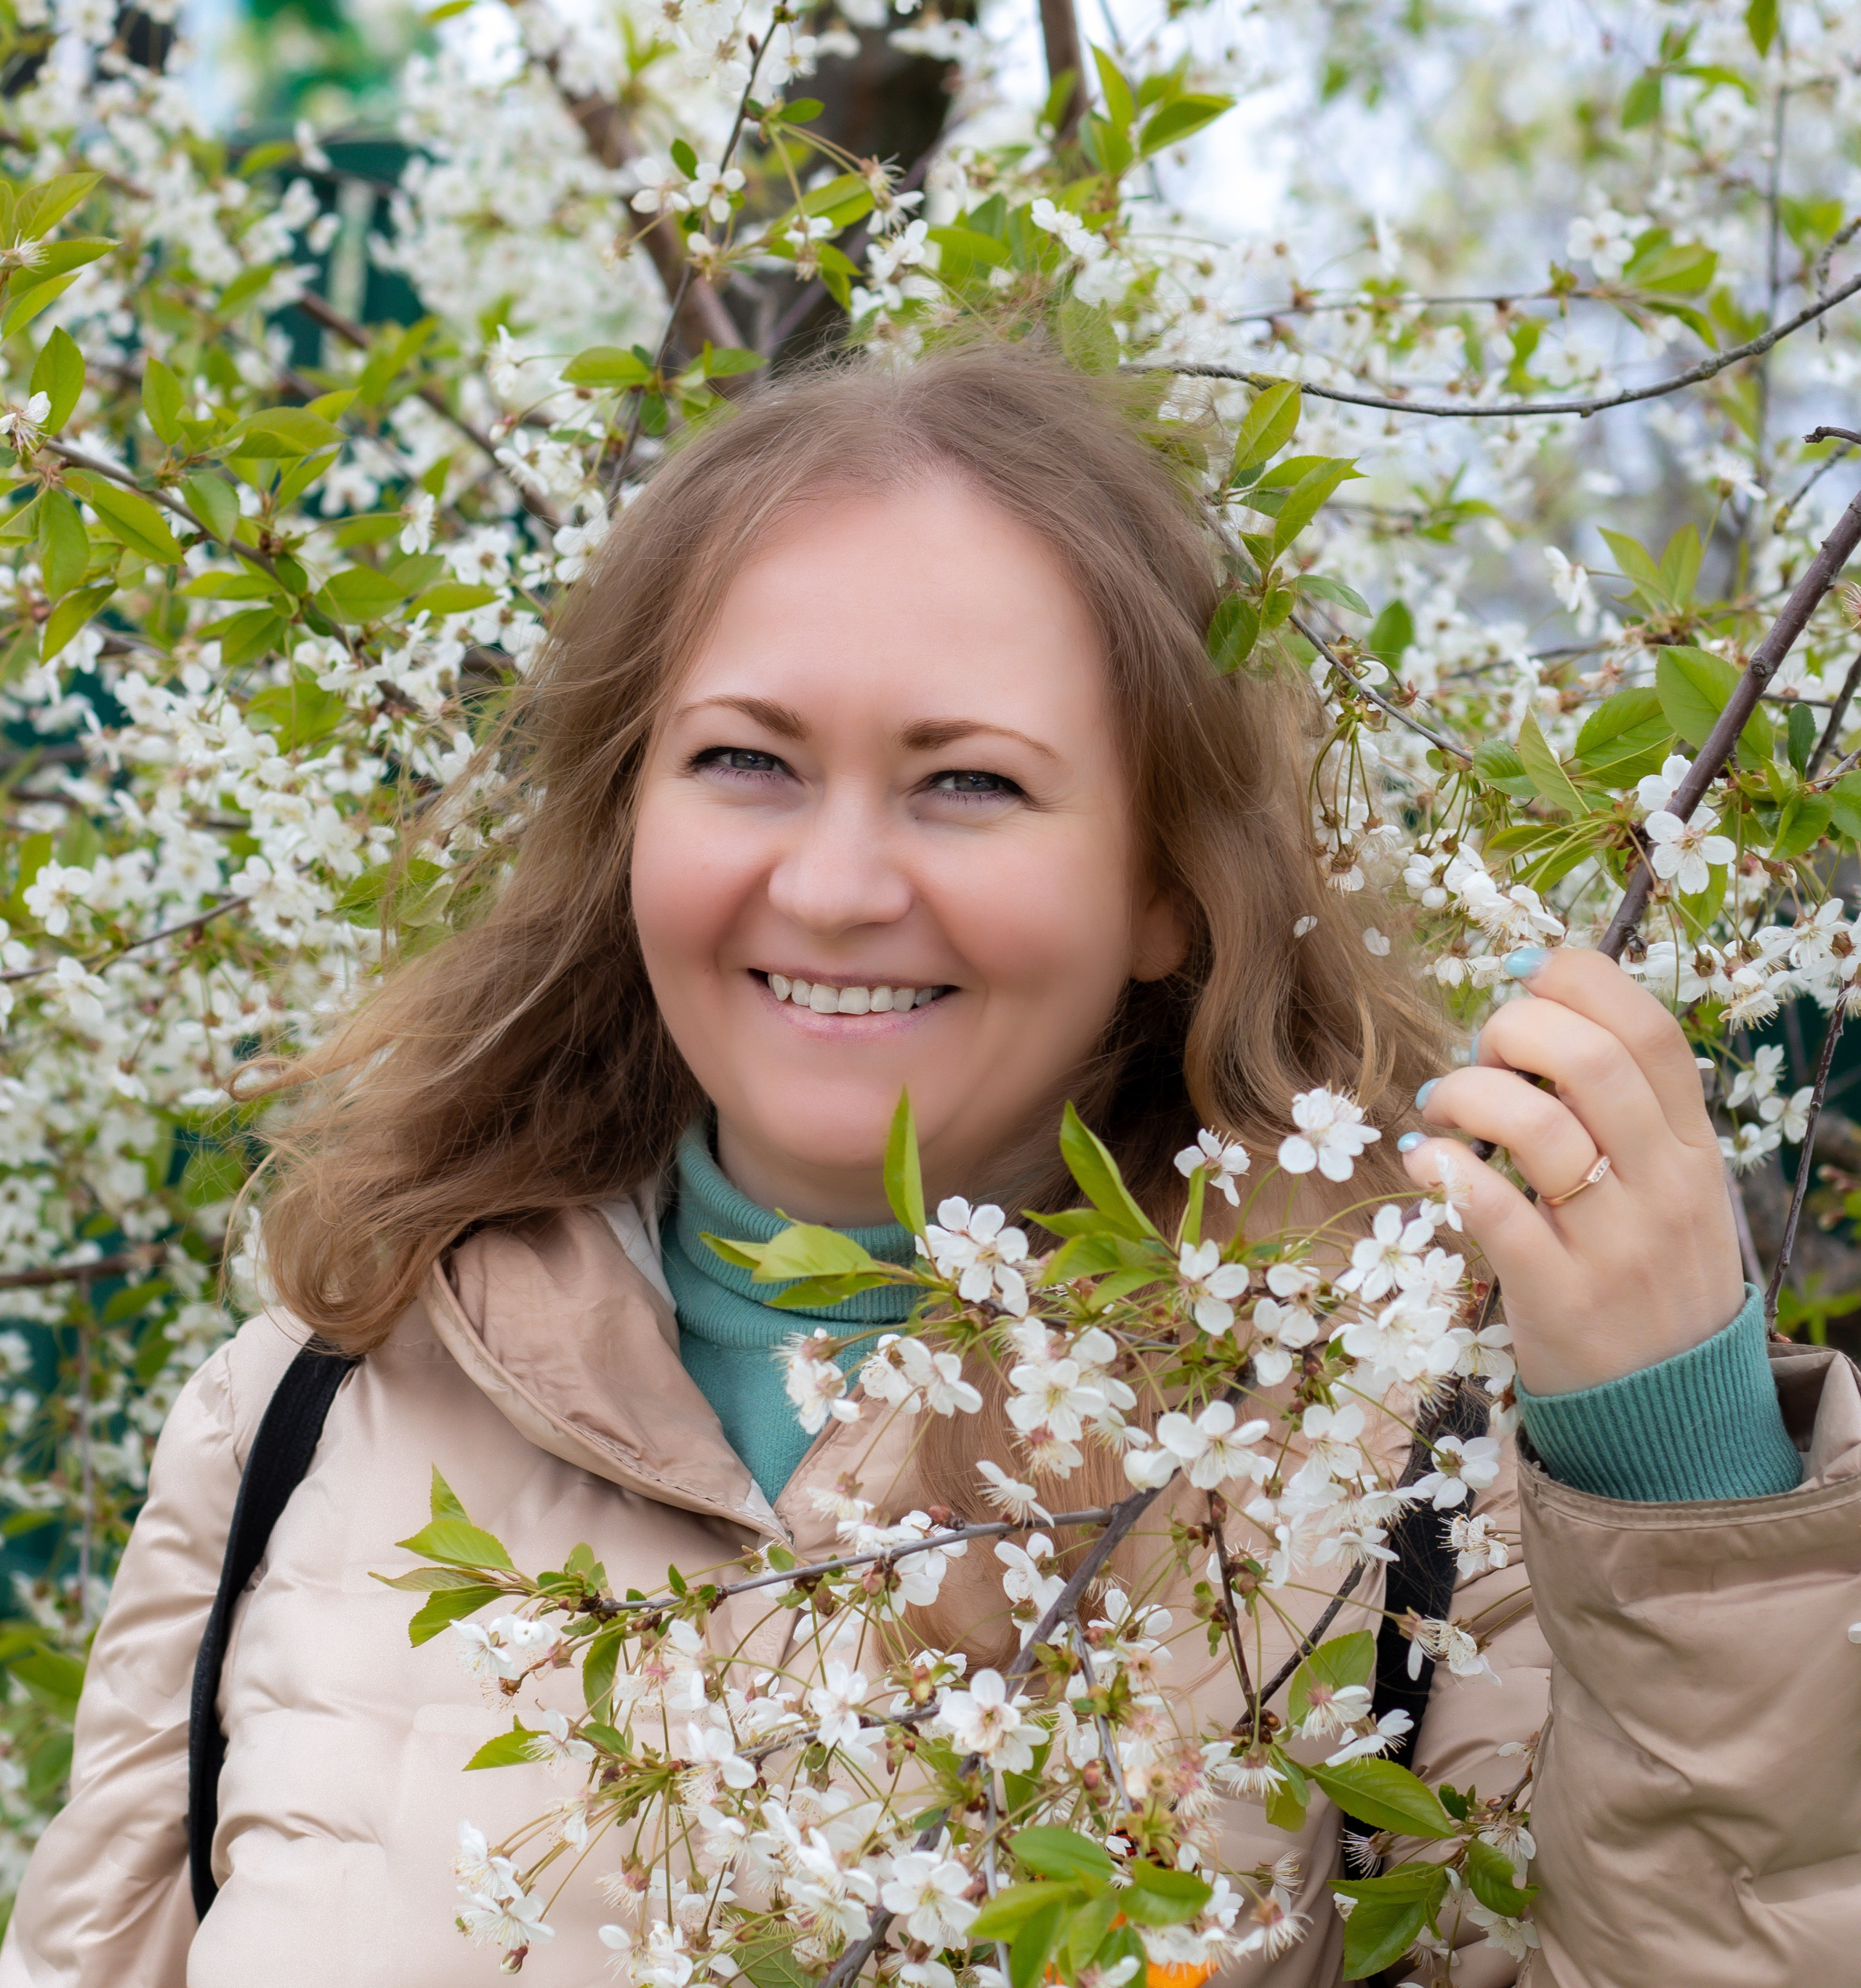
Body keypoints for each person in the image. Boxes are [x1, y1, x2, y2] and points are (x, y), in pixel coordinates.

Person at [4, 343, 1856, 1988]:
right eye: (742, 761)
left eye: (966, 781)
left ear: (1160, 884)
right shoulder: (308, 1413)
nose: (829, 884)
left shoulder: (1396, 1457)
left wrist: (1677, 1485)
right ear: (624, 811)